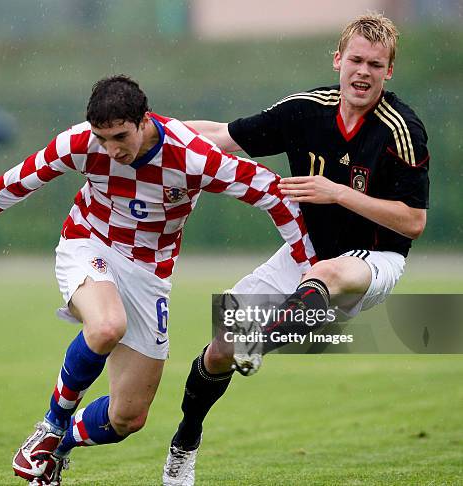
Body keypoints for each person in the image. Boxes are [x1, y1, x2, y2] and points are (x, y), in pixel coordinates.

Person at [0, 75, 316, 486]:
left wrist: (308, 267)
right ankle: (48, 429)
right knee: (105, 326)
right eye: (103, 138)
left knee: (128, 417)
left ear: (143, 121)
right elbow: (13, 184)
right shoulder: (80, 144)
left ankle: (58, 449)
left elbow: (273, 194)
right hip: (89, 244)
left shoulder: (192, 156)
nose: (111, 149)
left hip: (150, 274)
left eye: (120, 136)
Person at [163, 13, 429, 486]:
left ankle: (261, 340)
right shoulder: (305, 111)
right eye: (356, 60)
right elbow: (223, 136)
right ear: (338, 61)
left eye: (375, 64)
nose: (363, 72)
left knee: (327, 276)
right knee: (221, 348)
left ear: (389, 72)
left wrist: (339, 193)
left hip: (374, 260)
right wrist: (152, 131)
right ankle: (184, 444)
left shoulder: (401, 130)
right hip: (305, 254)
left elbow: (414, 221)